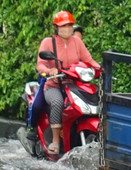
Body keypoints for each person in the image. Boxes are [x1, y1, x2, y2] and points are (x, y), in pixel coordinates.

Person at [35, 10, 99, 156]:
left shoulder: (77, 42)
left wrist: (99, 69)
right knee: (57, 102)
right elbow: (40, 65)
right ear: (56, 28)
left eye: (70, 25)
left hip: (74, 85)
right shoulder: (48, 42)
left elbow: (88, 60)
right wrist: (48, 71)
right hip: (54, 85)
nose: (67, 29)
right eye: (63, 26)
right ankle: (56, 141)